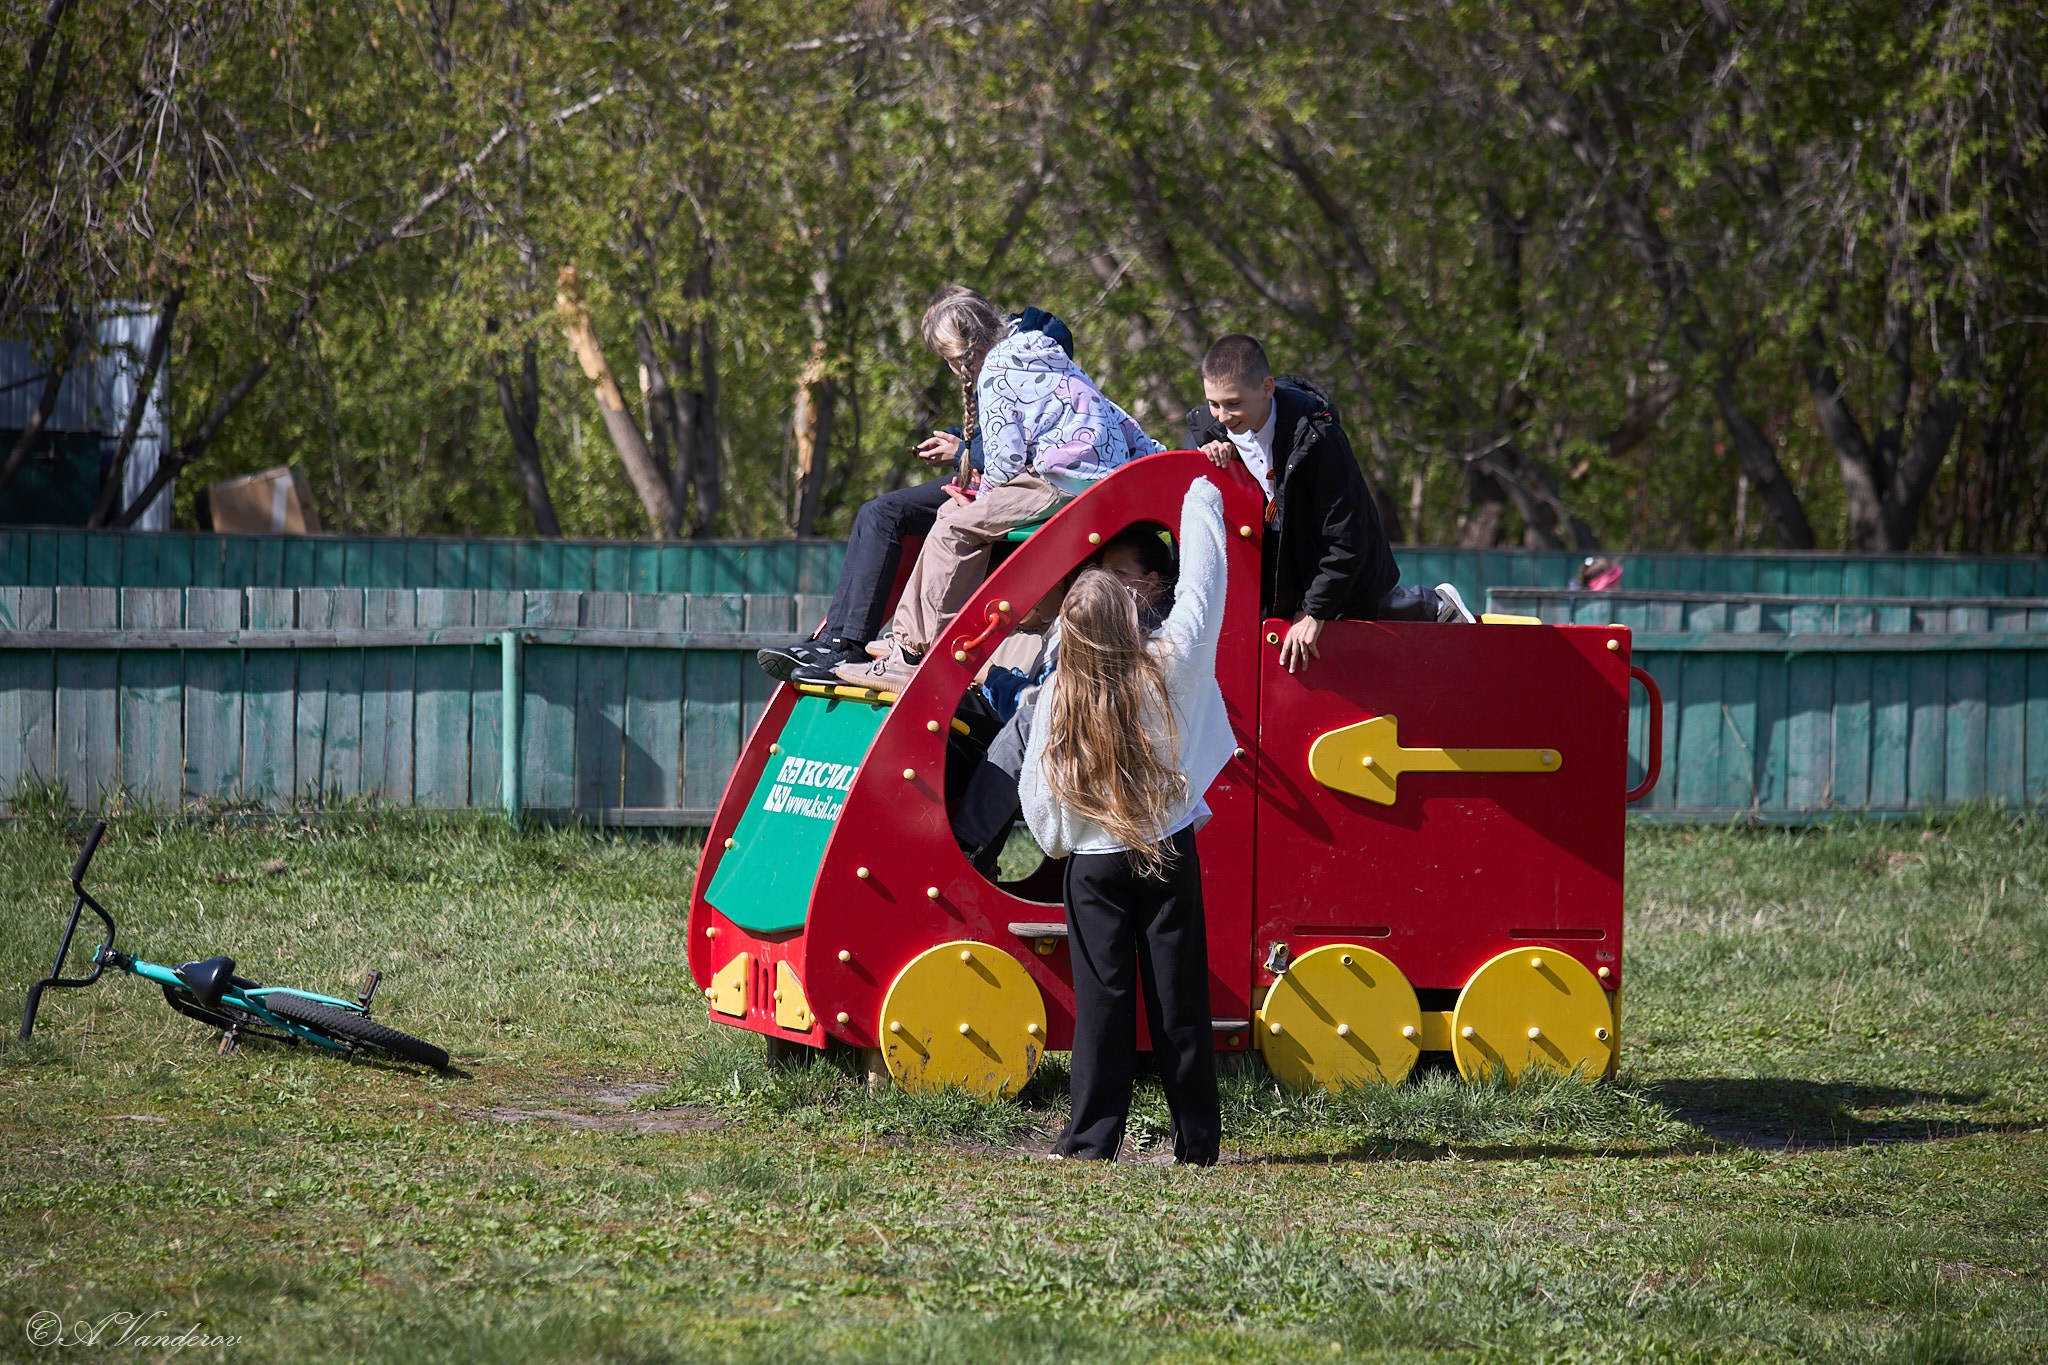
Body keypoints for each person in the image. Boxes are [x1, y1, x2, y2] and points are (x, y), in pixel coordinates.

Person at [1021, 477, 1231, 1165]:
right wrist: (1198, 491)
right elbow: (1203, 589)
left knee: (1103, 1003)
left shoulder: (1058, 695)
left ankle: (1089, 1140)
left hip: (1094, 865)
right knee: (1180, 1000)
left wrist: (1067, 842)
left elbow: (1040, 800)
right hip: (1166, 849)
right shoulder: (1170, 669)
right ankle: (1197, 1142)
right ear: (1134, 613)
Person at [835, 289, 1166, 692]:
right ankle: (904, 640)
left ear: (965, 350)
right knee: (949, 516)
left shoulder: (995, 370)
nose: (956, 371)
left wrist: (981, 496)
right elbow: (1112, 411)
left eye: (952, 360)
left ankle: (912, 654)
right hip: (1095, 480)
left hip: (1062, 481)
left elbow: (1005, 459)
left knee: (955, 527)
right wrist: (1154, 458)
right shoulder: (1042, 350)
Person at [756, 298, 1077, 683]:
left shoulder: (1012, 361)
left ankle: (877, 645)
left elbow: (1017, 450)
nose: (953, 368)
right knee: (876, 513)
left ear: (971, 341)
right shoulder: (998, 361)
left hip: (1019, 484)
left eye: (952, 358)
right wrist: (959, 441)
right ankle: (834, 638)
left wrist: (961, 452)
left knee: (925, 519)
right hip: (985, 476)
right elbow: (1000, 436)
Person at [1189, 335, 1455, 672]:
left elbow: (1347, 536)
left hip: (1333, 560)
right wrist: (1203, 456)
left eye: (1233, 404)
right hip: (1286, 561)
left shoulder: (1318, 437)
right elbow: (1189, 475)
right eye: (1214, 403)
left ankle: (1434, 607)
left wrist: (1315, 612)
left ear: (1267, 388)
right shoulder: (1213, 428)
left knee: (1366, 616)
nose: (1223, 416)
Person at [953, 523, 1175, 874]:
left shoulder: (1145, 628)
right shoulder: (1109, 615)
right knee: (972, 714)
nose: (1106, 582)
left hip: (1111, 741)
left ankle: (966, 849)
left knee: (1028, 723)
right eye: (1102, 572)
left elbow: (1056, 699)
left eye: (1118, 573)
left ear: (1149, 581)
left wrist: (995, 679)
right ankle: (963, 847)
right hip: (1088, 727)